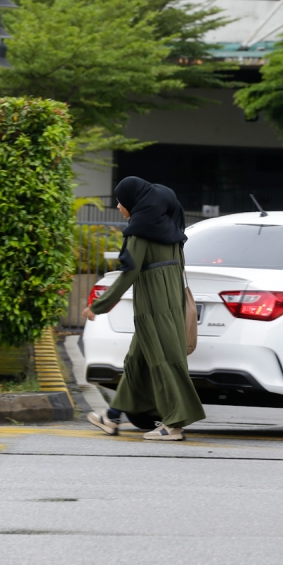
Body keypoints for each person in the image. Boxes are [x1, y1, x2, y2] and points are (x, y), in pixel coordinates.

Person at [84, 177, 206, 441]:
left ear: (134, 202)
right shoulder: (172, 230)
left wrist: (98, 306)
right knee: (136, 363)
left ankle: (173, 425)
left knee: (164, 362)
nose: (118, 206)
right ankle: (113, 416)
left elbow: (128, 274)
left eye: (120, 201)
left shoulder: (139, 233)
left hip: (152, 307)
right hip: (170, 304)